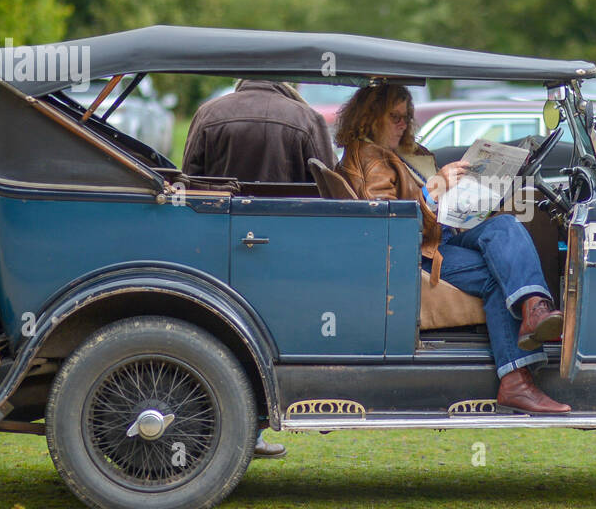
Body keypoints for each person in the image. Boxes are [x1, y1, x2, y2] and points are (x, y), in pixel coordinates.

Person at [337, 83, 570, 414]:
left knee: (506, 226)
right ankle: (516, 380)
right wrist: (435, 191)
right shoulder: (371, 157)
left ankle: (535, 308)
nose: (403, 124)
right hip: (416, 250)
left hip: (439, 232)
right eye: (395, 117)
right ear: (370, 117)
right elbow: (387, 222)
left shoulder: (392, 153)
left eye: (407, 117)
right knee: (499, 273)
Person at [183, 78, 336, 457]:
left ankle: (220, 433)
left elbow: (188, 182)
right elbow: (329, 193)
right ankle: (265, 425)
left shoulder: (209, 113)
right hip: (286, 248)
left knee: (222, 337)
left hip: (217, 243)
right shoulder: (306, 118)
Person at [183, 78, 335, 184]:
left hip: (219, 222)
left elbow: (189, 178)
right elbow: (331, 184)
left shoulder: (208, 113)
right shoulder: (308, 117)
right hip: (290, 223)